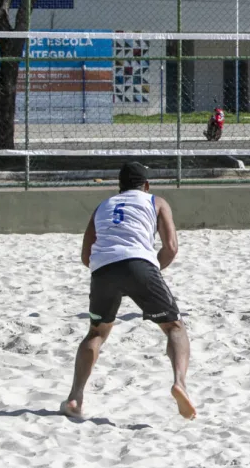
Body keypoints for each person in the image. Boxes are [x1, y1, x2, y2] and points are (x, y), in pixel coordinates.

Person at [61, 162, 196, 420]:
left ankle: (75, 398)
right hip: (140, 265)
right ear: (146, 185)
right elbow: (171, 247)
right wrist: (150, 272)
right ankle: (180, 383)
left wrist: (109, 272)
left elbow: (85, 255)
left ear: (119, 186)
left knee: (96, 333)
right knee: (174, 328)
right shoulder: (156, 201)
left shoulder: (102, 206)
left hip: (102, 271)